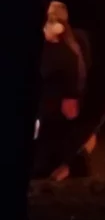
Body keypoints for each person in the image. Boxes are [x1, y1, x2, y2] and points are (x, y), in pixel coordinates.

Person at [36, 17, 82, 178]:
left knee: (54, 139)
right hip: (48, 105)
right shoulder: (50, 50)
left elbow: (71, 80)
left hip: (56, 106)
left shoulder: (66, 52)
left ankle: (57, 170)